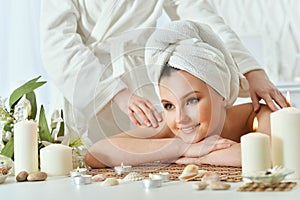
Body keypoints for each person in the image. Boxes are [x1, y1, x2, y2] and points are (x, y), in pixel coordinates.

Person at [40, 0, 284, 145]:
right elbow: (57, 43)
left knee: (148, 172)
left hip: (138, 82)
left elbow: (204, 21)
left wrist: (253, 71)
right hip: (87, 84)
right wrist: (116, 94)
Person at [85, 20, 272, 168]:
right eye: (169, 105)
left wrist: (202, 157)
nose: (180, 118)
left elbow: (275, 155)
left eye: (192, 100)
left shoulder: (257, 115)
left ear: (222, 94)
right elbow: (97, 154)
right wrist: (184, 148)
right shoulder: (171, 129)